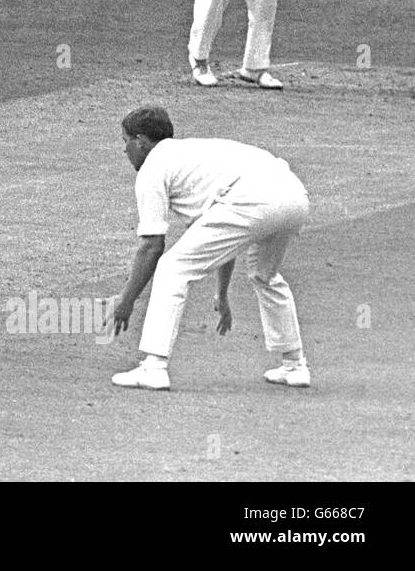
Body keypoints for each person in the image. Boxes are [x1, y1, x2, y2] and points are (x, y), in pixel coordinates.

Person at [108, 106, 312, 391]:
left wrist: (126, 300)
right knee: (264, 275)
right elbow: (220, 230)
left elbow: (152, 246)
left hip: (255, 198)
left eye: (125, 141)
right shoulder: (191, 155)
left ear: (141, 140)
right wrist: (222, 292)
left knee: (172, 267)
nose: (125, 150)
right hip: (294, 196)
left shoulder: (153, 167)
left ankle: (153, 367)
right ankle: (295, 365)